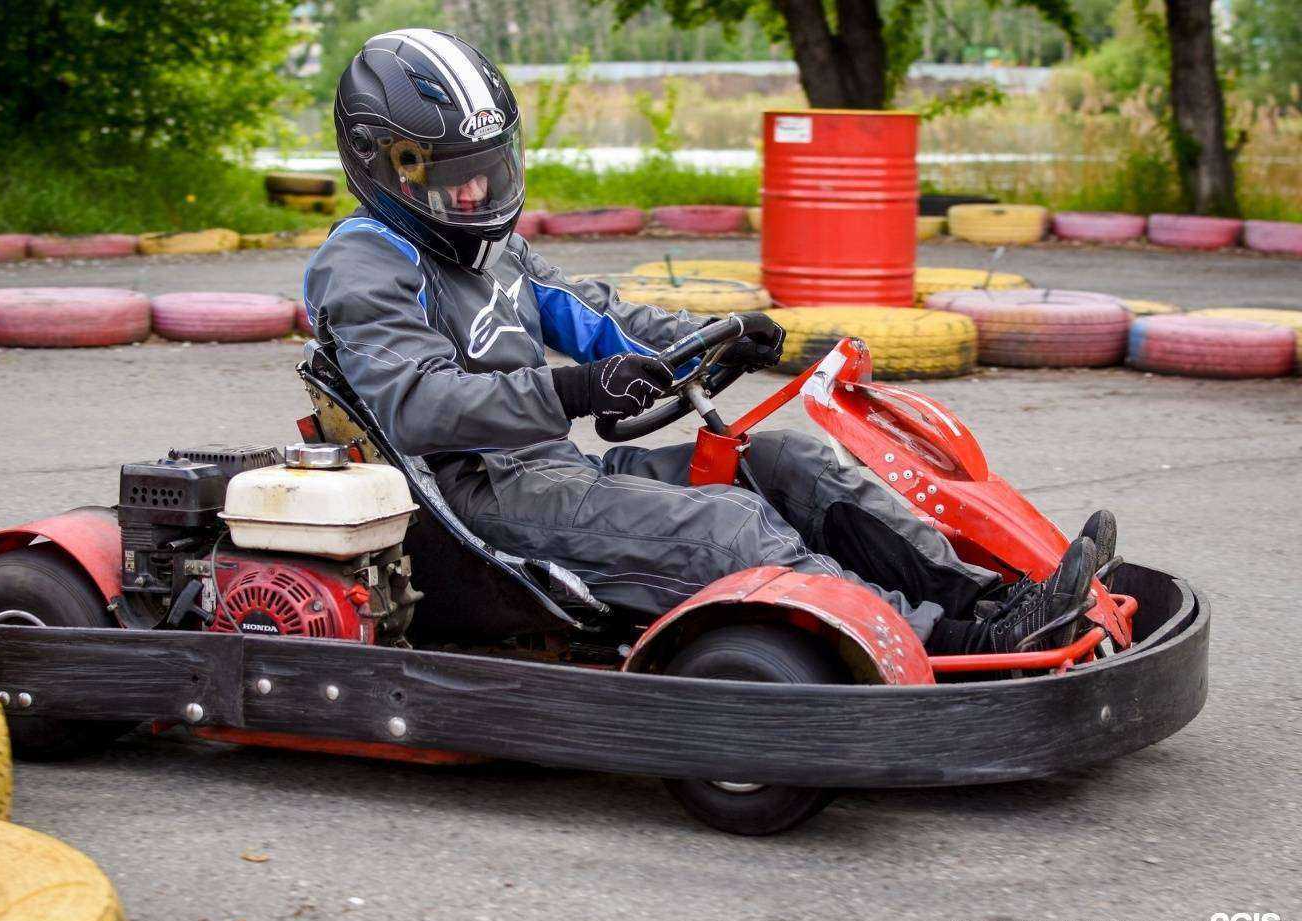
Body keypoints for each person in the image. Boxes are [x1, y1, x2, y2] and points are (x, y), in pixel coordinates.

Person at [303, 28, 1110, 654]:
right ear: (384, 163)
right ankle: (952, 645)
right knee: (730, 530)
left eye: (485, 165)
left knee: (789, 464)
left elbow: (597, 316)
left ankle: (990, 602)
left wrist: (720, 340)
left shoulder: (492, 246)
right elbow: (420, 406)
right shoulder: (364, 262)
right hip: (482, 507)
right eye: (449, 171)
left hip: (558, 475)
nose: (474, 189)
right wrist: (575, 392)